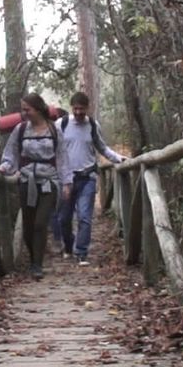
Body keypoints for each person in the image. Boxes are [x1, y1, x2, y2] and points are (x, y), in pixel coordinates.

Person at [0, 92, 69, 280]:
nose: (24, 113)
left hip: (49, 182)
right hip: (26, 181)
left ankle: (37, 264)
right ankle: (33, 259)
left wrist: (66, 183)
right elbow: (11, 153)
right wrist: (4, 168)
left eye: (27, 109)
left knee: (40, 223)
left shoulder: (54, 130)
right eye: (23, 110)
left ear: (37, 109)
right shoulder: (20, 130)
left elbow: (62, 157)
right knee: (28, 226)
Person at [52, 91, 124, 264]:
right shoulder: (61, 124)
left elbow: (102, 147)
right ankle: (68, 246)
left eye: (82, 109)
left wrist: (118, 158)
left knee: (85, 216)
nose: (78, 113)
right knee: (64, 218)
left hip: (87, 177)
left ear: (87, 108)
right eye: (76, 109)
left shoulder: (92, 125)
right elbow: (52, 150)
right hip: (66, 179)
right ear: (71, 108)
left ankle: (81, 252)